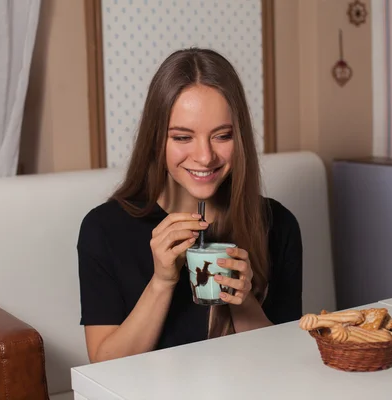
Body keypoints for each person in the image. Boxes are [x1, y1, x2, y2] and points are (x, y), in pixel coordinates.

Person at [77, 47, 303, 363]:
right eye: (183, 137)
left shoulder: (278, 224)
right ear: (156, 140)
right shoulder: (104, 229)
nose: (205, 156)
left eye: (222, 136)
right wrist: (162, 281)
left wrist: (242, 299)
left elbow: (285, 360)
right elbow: (104, 365)